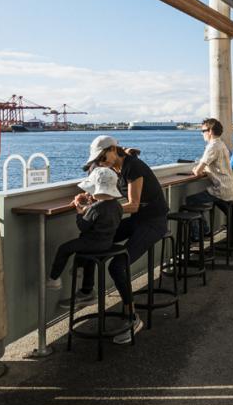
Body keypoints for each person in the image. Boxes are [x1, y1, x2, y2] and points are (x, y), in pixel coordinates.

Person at [84, 134, 170, 341]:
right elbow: (98, 185)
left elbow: (133, 204)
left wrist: (100, 209)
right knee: (93, 238)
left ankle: (132, 317)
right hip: (138, 220)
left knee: (117, 266)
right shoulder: (113, 168)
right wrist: (89, 196)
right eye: (98, 160)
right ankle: (86, 291)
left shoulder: (133, 167)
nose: (101, 163)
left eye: (102, 158)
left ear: (114, 150)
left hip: (154, 221)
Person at [46, 167, 140, 343]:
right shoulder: (117, 206)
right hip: (106, 244)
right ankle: (83, 279)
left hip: (92, 244)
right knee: (82, 250)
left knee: (65, 248)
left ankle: (54, 279)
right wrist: (89, 206)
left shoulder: (96, 208)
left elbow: (83, 226)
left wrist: (79, 210)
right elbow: (102, 217)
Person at [186, 118, 233, 239]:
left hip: (221, 189)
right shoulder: (221, 144)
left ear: (210, 131)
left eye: (203, 130)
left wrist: (195, 169)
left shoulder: (212, 146)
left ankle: (200, 234)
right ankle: (208, 230)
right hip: (230, 187)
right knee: (228, 211)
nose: (201, 133)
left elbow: (197, 172)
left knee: (191, 201)